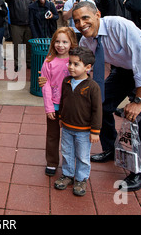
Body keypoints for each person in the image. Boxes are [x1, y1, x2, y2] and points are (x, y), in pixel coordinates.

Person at [73, 1, 141, 192]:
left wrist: (137, 100)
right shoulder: (85, 41)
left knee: (139, 118)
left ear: (97, 15)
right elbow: (89, 71)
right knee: (100, 104)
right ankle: (111, 149)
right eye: (76, 20)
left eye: (85, 18)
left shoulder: (119, 25)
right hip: (124, 70)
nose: (81, 24)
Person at [54, 46, 102, 196]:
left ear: (87, 67)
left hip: (84, 130)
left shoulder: (92, 87)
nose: (71, 67)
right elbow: (63, 101)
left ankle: (81, 179)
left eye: (76, 64)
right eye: (70, 63)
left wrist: (95, 131)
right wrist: (61, 117)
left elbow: (97, 110)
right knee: (67, 152)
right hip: (67, 127)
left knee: (82, 155)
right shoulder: (66, 81)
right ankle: (67, 174)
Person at [40, 27, 78, 176]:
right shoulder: (49, 61)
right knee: (52, 135)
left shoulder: (75, 62)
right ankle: (52, 162)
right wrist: (49, 107)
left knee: (72, 137)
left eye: (64, 42)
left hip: (71, 107)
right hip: (54, 106)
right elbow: (46, 86)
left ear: (71, 43)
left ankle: (70, 164)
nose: (60, 45)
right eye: (57, 41)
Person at [5, 0, 33, 71]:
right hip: (16, 24)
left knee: (28, 45)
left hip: (28, 24)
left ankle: (29, 62)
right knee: (17, 46)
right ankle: (17, 64)